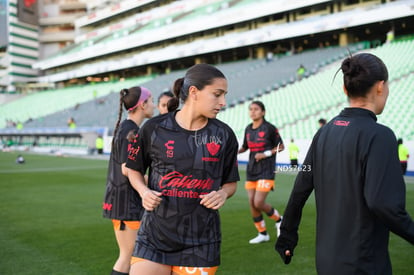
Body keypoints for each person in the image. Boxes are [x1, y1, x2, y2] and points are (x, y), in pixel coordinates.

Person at [275, 53, 414, 274]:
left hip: (327, 262)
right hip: (363, 264)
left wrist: (287, 233)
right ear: (380, 87)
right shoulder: (380, 135)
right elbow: (382, 204)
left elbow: (301, 185)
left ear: (345, 89)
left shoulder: (324, 132)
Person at [125, 63, 240, 275]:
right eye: (217, 94)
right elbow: (133, 169)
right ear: (194, 92)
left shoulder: (225, 135)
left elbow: (231, 182)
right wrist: (144, 192)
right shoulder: (154, 128)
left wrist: (223, 193)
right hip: (154, 236)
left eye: (224, 95)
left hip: (201, 242)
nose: (223, 102)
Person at [102, 86, 155, 275]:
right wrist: (154, 182)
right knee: (129, 256)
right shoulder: (131, 131)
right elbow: (127, 168)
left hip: (122, 200)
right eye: (151, 101)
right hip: (125, 202)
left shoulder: (127, 128)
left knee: (131, 255)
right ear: (142, 105)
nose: (154, 106)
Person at [238, 101, 284, 244]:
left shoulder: (270, 128)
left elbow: (281, 147)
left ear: (263, 112)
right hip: (251, 170)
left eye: (256, 109)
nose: (253, 112)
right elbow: (245, 147)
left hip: (266, 170)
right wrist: (234, 151)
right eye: (250, 109)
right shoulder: (248, 129)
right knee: (252, 203)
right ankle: (263, 234)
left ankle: (280, 219)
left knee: (258, 202)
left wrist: (266, 154)